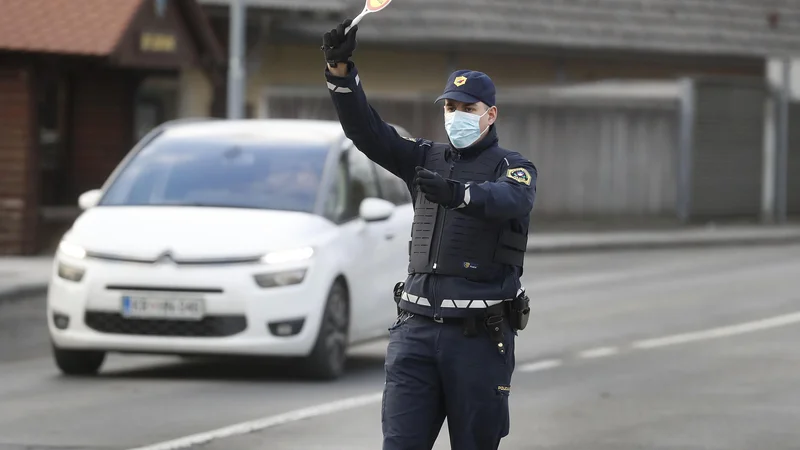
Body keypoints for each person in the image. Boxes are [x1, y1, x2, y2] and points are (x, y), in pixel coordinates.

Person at [321, 19, 537, 450]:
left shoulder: (513, 167)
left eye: (467, 109)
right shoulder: (424, 158)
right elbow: (367, 131)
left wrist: (458, 194)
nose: (456, 116)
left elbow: (510, 200)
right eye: (450, 108)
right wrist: (341, 70)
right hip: (415, 333)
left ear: (489, 115)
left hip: (477, 339)